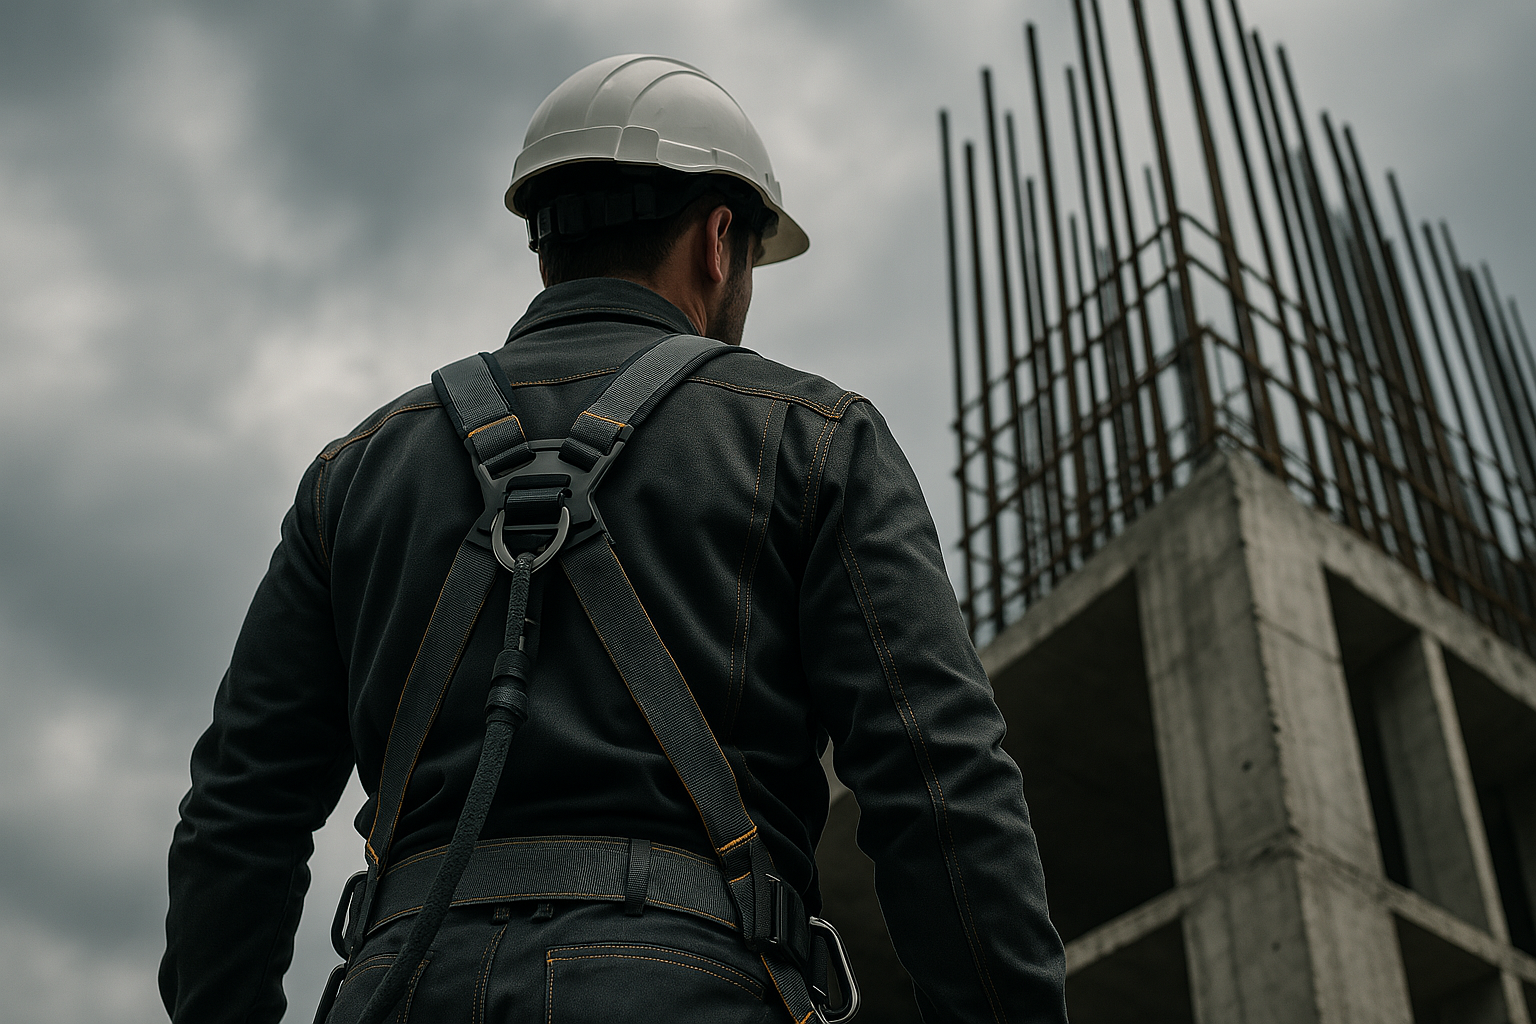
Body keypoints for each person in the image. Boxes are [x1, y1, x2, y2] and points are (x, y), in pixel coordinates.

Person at [161, 54, 1067, 1024]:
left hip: (399, 988)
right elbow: (940, 787)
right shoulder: (811, 437)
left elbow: (237, 815)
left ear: (544, 244)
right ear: (720, 241)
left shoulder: (354, 474)